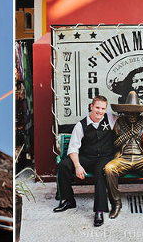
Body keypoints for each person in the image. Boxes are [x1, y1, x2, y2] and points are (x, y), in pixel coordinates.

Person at [54, 95, 117, 227]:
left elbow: (130, 117)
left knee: (101, 172)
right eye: (97, 108)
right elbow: (73, 149)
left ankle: (99, 210)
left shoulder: (111, 118)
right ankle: (68, 200)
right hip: (87, 157)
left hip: (105, 157)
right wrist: (77, 165)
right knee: (64, 164)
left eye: (103, 108)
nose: (100, 111)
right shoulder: (81, 125)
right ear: (91, 107)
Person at [103, 90, 143, 219]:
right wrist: (127, 135)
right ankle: (116, 203)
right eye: (129, 110)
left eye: (135, 110)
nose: (132, 114)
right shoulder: (119, 122)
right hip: (123, 158)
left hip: (141, 158)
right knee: (109, 169)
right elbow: (114, 143)